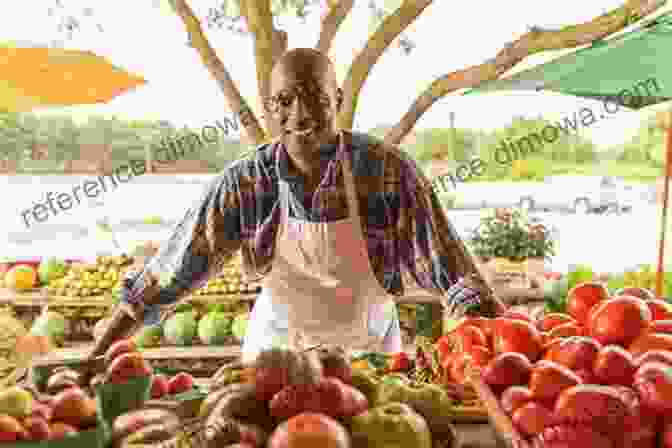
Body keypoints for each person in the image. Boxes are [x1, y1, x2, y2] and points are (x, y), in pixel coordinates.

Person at [113, 48, 507, 362]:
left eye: (314, 98)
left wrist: (498, 345)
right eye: (285, 100)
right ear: (270, 106)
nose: (299, 114)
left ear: (336, 99)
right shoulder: (246, 182)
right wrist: (102, 350)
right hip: (276, 358)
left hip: (371, 360)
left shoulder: (387, 172)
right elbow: (172, 270)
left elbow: (453, 274)